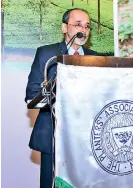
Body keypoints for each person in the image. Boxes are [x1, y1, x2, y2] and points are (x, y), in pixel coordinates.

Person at [25, 8, 98, 188]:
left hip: (86, 137)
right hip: (53, 134)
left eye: (87, 26)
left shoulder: (96, 58)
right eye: (78, 24)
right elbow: (32, 94)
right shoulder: (46, 54)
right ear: (64, 28)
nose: (84, 30)